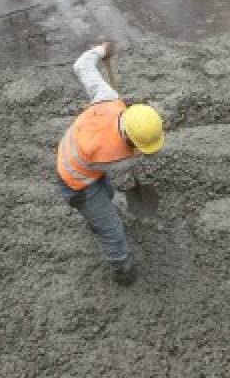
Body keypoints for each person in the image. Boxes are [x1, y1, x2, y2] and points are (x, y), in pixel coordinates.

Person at [57, 41, 164, 286]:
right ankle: (122, 268)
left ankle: (95, 217)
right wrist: (137, 155)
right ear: (130, 141)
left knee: (106, 192)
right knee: (112, 228)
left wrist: (100, 51)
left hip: (76, 153)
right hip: (74, 181)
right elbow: (129, 158)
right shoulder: (117, 158)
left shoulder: (109, 99)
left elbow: (81, 65)